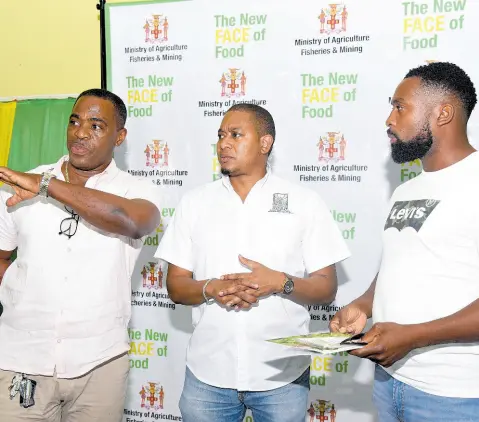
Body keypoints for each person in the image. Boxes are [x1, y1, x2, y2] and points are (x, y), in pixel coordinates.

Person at [155, 103, 350, 422]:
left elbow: (326, 288)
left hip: (282, 375)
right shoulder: (194, 204)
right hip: (208, 375)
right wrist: (212, 288)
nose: (224, 143)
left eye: (235, 134)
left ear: (265, 143)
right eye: (220, 135)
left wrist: (280, 283)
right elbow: (176, 286)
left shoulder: (305, 203)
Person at [0, 88, 161, 421]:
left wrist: (46, 185)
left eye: (96, 125)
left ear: (120, 137)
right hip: (21, 359)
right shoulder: (19, 187)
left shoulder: (136, 191)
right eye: (74, 122)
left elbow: (129, 221)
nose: (80, 133)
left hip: (100, 363)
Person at [330, 61, 479, 421]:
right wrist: (364, 305)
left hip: (455, 395)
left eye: (400, 106)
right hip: (390, 383)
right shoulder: (406, 190)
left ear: (443, 113)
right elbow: (400, 263)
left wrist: (413, 336)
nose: (389, 119)